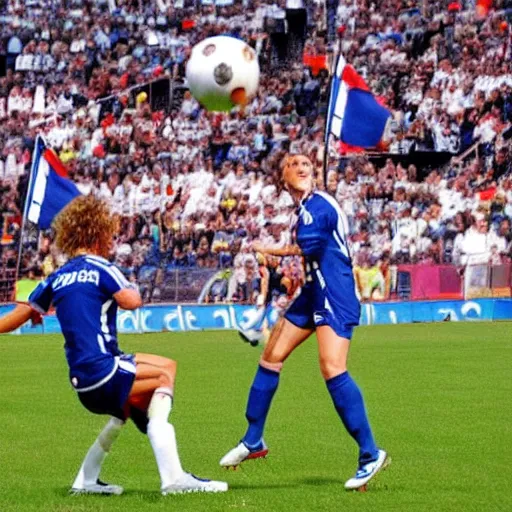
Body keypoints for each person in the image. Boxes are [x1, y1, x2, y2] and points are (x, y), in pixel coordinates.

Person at [0, 196, 227, 496]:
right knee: (165, 370)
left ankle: (86, 482)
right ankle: (174, 477)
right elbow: (132, 302)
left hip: (82, 384)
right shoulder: (102, 267)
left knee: (127, 409)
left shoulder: (57, 276)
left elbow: (24, 311)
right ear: (99, 233)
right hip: (104, 370)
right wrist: (129, 285)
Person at [220, 155, 390, 491]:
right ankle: (254, 439)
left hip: (334, 290)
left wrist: (269, 249)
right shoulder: (303, 209)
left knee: (332, 367)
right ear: (282, 178)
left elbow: (308, 245)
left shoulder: (319, 204)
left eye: (306, 164)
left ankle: (370, 453)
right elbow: (306, 250)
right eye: (292, 163)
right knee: (270, 357)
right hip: (313, 290)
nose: (301, 166)